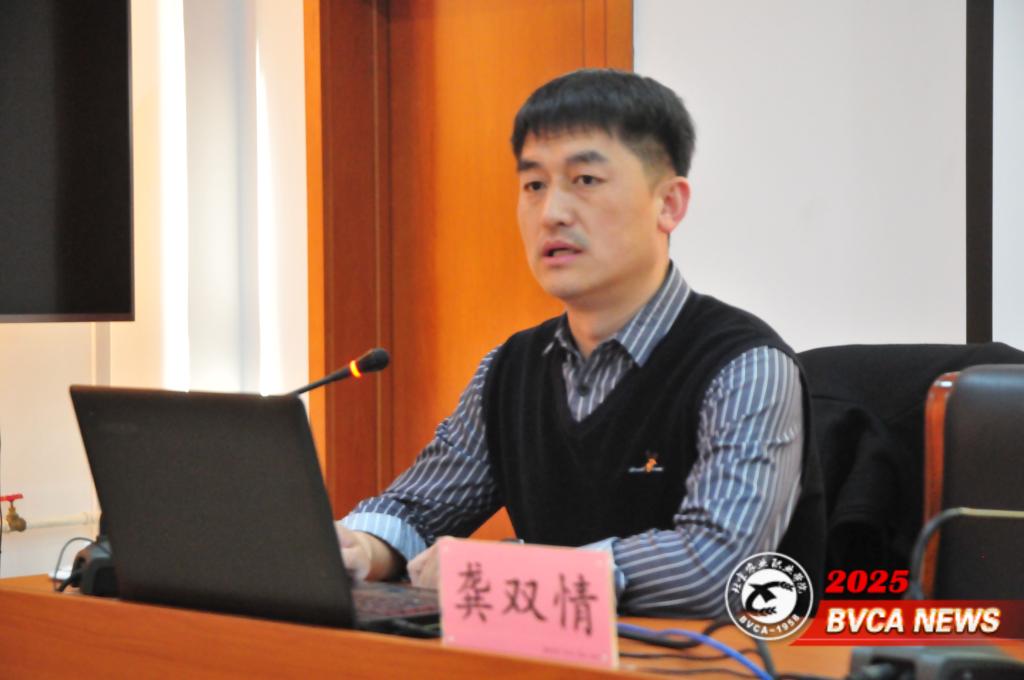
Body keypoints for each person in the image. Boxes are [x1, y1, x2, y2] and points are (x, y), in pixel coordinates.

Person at [336, 68, 824, 616]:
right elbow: (418, 509)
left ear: (668, 204)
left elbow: (719, 567)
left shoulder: (745, 366)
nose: (552, 213)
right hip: (548, 654)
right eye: (534, 185)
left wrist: (513, 574)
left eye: (586, 180)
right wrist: (357, 548)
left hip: (725, 657)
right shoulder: (510, 368)